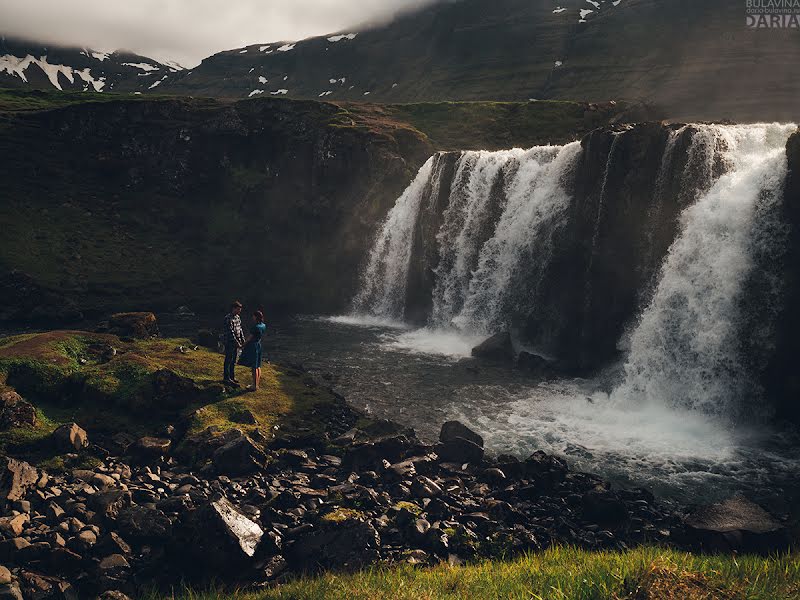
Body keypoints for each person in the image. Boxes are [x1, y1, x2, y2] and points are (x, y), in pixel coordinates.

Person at [238, 310, 267, 392]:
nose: (252, 317)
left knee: (254, 366)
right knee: (258, 365)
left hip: (253, 346)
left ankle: (254, 385)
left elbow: (249, 338)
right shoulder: (263, 325)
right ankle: (257, 384)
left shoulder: (255, 327)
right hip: (258, 345)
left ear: (256, 317)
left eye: (253, 316)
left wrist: (242, 345)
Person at [223, 301, 245, 386]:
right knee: (228, 360)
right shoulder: (228, 318)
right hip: (229, 342)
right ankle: (226, 378)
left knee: (234, 360)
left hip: (237, 342)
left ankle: (232, 377)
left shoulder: (238, 317)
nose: (239, 311)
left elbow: (240, 329)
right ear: (233, 308)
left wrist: (243, 340)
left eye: (240, 309)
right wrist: (237, 343)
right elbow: (230, 333)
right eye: (238, 309)